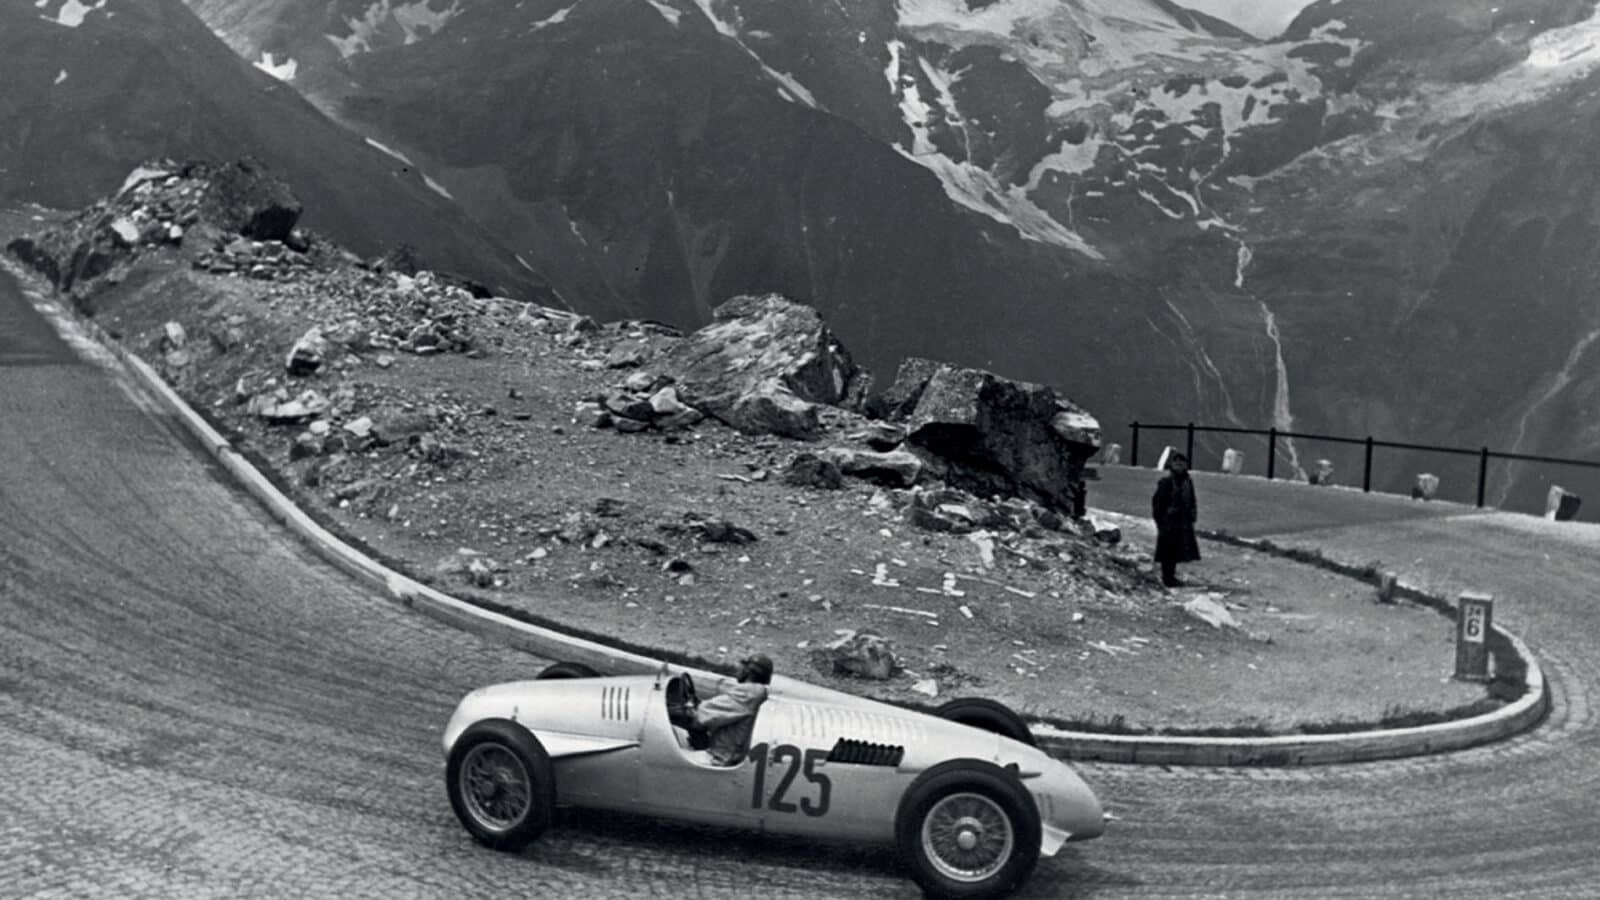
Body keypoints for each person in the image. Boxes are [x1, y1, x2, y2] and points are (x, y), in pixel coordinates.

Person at [693, 654, 772, 766]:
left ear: (749, 672)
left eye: (742, 667)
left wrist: (690, 709)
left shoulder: (747, 693)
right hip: (729, 755)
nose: (737, 669)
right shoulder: (756, 692)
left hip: (719, 758)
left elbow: (700, 716)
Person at [1151, 452, 1200, 587]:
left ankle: (1170, 576)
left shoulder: (1187, 481)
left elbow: (1192, 499)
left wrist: (1192, 514)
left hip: (1182, 521)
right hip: (1169, 521)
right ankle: (1167, 577)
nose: (1179, 466)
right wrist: (1160, 521)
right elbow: (1158, 503)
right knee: (1168, 550)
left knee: (1176, 550)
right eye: (1176, 463)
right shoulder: (1166, 482)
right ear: (1171, 465)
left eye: (1182, 463)